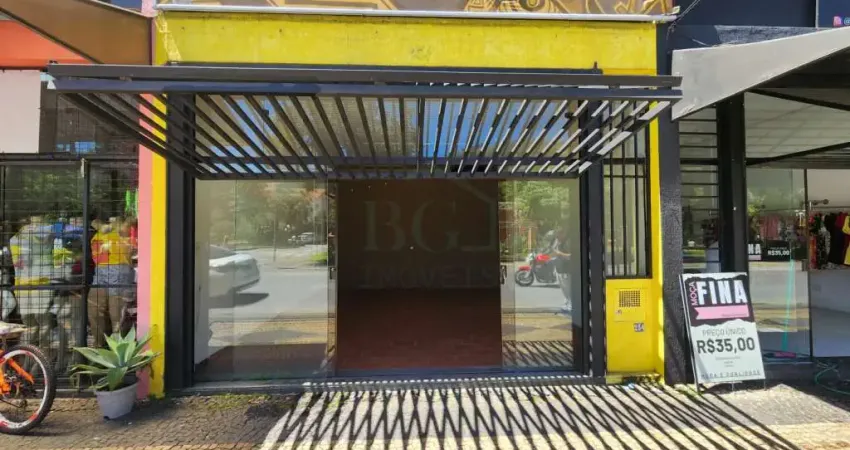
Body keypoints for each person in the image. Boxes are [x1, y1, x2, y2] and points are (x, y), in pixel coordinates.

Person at [550, 227, 572, 314]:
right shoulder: (559, 242)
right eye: (556, 236)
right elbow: (553, 251)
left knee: (568, 289)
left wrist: (560, 253)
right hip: (559, 269)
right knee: (564, 289)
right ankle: (567, 303)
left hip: (566, 270)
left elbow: (571, 256)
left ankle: (571, 305)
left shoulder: (568, 242)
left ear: (563, 234)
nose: (557, 237)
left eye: (558, 235)